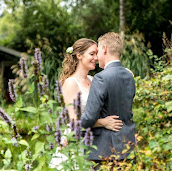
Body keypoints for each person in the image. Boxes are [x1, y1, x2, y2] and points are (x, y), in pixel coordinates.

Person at [50, 38, 123, 169]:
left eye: (97, 53)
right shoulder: (70, 83)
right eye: (92, 54)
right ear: (79, 55)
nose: (96, 57)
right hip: (76, 140)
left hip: (94, 140)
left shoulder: (93, 79)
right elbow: (74, 121)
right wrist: (102, 122)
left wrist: (124, 73)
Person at [81, 32, 136, 169]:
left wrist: (73, 124)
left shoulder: (101, 78)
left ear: (104, 49)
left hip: (104, 151)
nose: (97, 57)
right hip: (128, 147)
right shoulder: (129, 76)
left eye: (98, 51)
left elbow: (89, 118)